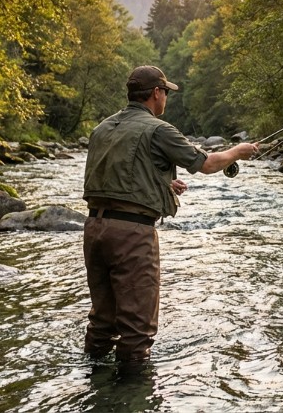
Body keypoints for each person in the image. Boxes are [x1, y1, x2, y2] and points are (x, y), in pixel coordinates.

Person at [82, 65, 258, 367]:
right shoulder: (158, 129)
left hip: (94, 231)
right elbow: (207, 163)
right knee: (137, 331)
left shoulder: (103, 128)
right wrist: (237, 152)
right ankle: (131, 396)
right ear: (155, 93)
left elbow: (114, 178)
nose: (166, 98)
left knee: (103, 321)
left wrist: (162, 182)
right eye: (166, 92)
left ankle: (92, 380)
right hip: (132, 236)